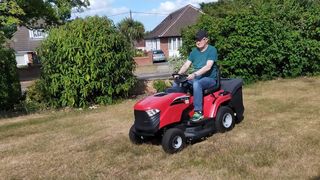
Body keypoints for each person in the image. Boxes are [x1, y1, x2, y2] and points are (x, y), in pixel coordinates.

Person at [173, 29, 218, 122]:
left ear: (206, 40)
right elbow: (186, 65)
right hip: (196, 78)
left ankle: (198, 112)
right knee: (177, 83)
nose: (197, 42)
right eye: (196, 40)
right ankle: (178, 109)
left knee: (197, 84)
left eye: (200, 40)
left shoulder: (212, 50)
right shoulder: (194, 51)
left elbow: (208, 67)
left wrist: (194, 74)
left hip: (209, 79)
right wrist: (179, 74)